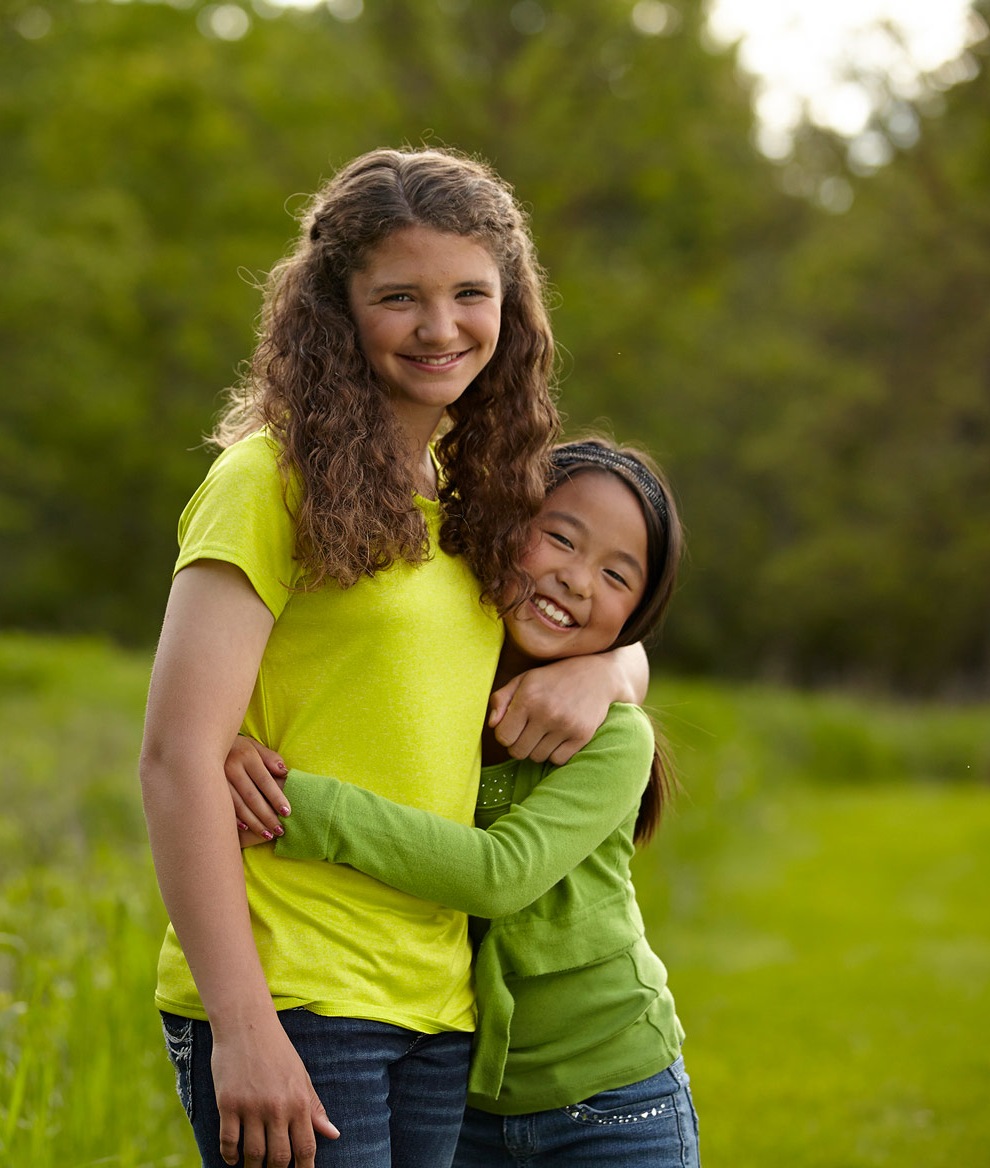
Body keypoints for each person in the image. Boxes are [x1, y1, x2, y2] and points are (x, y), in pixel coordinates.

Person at [138, 148, 649, 1168]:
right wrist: (243, 1027)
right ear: (338, 306)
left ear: (512, 305)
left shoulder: (475, 490)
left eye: (471, 293)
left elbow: (568, 624)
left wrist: (612, 669)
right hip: (295, 990)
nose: (440, 326)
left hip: (438, 1001)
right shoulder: (267, 479)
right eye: (400, 296)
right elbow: (174, 760)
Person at [226, 439, 698, 1167]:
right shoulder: (440, 677)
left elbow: (498, 875)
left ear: (638, 612)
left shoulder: (616, 736)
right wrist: (237, 744)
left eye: (615, 575)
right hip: (465, 1102)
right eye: (560, 539)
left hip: (614, 1099)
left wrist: (296, 806)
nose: (576, 580)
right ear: (507, 525)